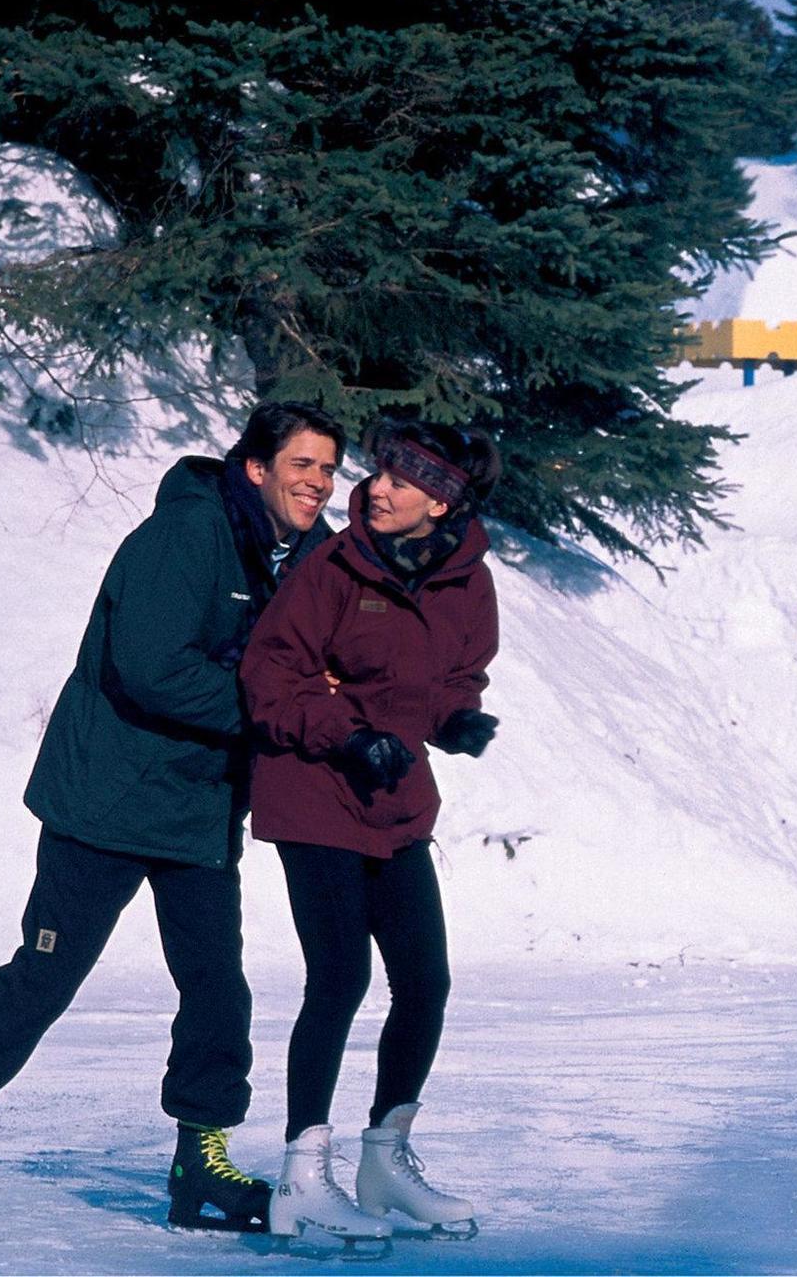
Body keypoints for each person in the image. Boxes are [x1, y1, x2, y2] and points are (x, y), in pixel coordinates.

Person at [0, 403, 346, 1243]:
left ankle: (202, 1157)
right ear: (257, 468)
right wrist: (276, 709)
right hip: (108, 797)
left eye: (328, 468)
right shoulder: (183, 537)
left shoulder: (305, 553)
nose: (317, 481)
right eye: (302, 465)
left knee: (215, 985)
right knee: (46, 978)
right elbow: (152, 670)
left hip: (198, 806)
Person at [240, 417, 501, 1243]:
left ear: (442, 501)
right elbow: (270, 675)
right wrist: (345, 733)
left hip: (394, 800)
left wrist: (456, 718)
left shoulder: (467, 582)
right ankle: (302, 1178)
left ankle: (385, 1159)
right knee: (340, 978)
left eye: (400, 479)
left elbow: (456, 673)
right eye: (380, 473)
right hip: (314, 789)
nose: (376, 489)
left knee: (425, 981)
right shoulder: (334, 565)